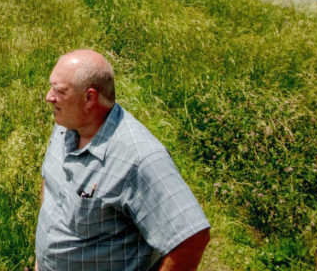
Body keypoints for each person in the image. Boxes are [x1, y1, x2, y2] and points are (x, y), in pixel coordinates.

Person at [35, 49, 210, 271]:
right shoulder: (66, 126)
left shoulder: (140, 158)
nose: (49, 97)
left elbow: (192, 238)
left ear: (89, 98)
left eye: (59, 91)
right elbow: (51, 183)